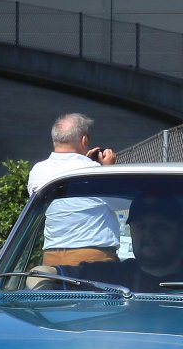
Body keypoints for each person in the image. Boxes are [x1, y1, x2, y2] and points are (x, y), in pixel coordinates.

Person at [70, 194, 183, 292]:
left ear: (181, 231)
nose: (149, 234)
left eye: (160, 226)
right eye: (141, 226)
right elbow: (63, 276)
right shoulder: (111, 276)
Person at [27, 113, 120, 266]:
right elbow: (121, 203)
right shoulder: (95, 172)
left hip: (51, 258)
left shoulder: (38, 170)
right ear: (84, 140)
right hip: (94, 259)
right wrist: (108, 170)